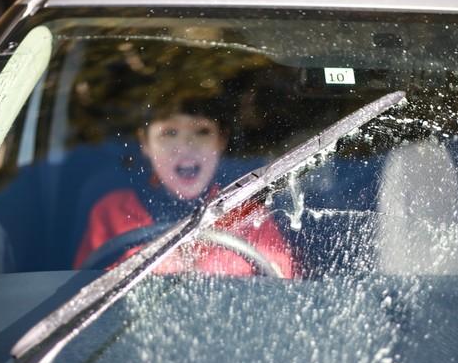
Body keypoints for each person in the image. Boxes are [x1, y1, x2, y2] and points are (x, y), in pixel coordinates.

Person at [74, 98, 294, 278]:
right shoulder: (111, 211)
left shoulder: (246, 212)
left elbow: (281, 290)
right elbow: (84, 295)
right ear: (146, 143)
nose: (186, 147)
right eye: (169, 133)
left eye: (202, 132)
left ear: (221, 140)